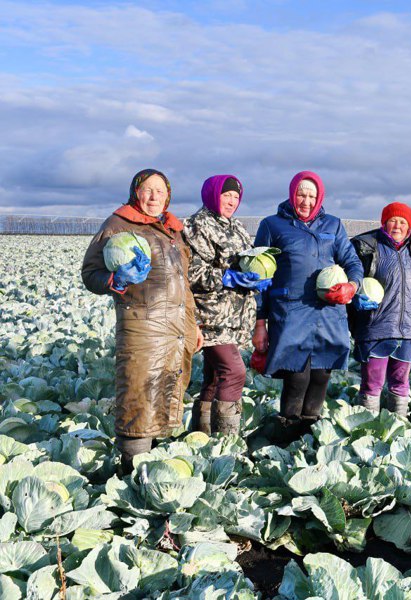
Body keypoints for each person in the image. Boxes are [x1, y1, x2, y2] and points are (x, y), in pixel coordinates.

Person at [81, 169, 202, 474]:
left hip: (175, 328)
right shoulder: (118, 224)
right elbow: (90, 273)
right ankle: (131, 468)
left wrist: (192, 325)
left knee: (166, 391)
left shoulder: (172, 230)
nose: (153, 197)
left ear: (168, 195)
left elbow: (182, 283)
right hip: (141, 327)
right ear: (136, 192)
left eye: (159, 191)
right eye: (147, 190)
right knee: (138, 393)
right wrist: (113, 279)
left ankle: (153, 469)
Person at [251, 171, 363, 438]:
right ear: (292, 194)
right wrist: (259, 322)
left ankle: (309, 431)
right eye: (301, 194)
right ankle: (287, 435)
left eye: (312, 195)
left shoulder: (333, 225)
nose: (307, 201)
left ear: (320, 197)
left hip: (328, 311)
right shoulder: (272, 225)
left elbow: (352, 263)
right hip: (290, 312)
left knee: (322, 374)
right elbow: (259, 275)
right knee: (296, 375)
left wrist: (352, 285)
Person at [184, 175, 269, 436]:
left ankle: (201, 436)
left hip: (234, 315)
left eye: (235, 196)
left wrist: (256, 278)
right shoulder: (198, 225)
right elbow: (191, 272)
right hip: (210, 315)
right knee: (233, 373)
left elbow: (248, 260)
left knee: (213, 378)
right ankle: (226, 441)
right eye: (226, 195)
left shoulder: (236, 227)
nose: (231, 201)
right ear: (212, 195)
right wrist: (226, 277)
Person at [349, 202, 411, 417]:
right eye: (392, 220)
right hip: (375, 326)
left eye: (402, 221)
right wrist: (355, 298)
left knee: (400, 382)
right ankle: (367, 428)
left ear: (409, 226)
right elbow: (351, 279)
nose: (397, 226)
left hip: (408, 328)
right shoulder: (366, 246)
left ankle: (397, 426)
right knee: (373, 383)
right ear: (384, 222)